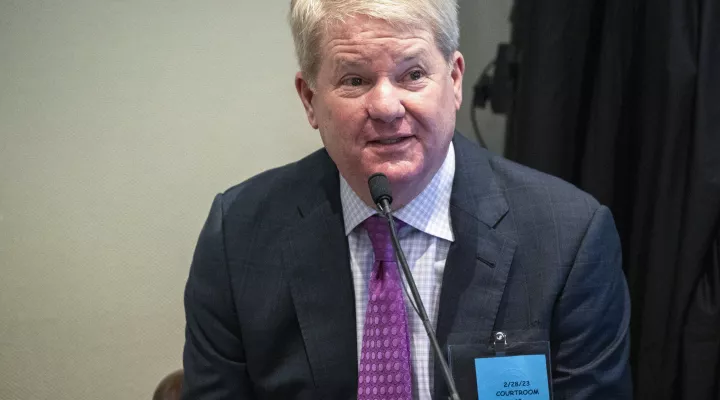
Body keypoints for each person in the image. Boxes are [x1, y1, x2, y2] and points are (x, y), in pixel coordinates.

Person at [181, 0, 633, 399]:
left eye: (413, 74)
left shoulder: (568, 237)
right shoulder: (238, 235)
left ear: (454, 80)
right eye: (354, 80)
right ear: (309, 99)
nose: (386, 106)